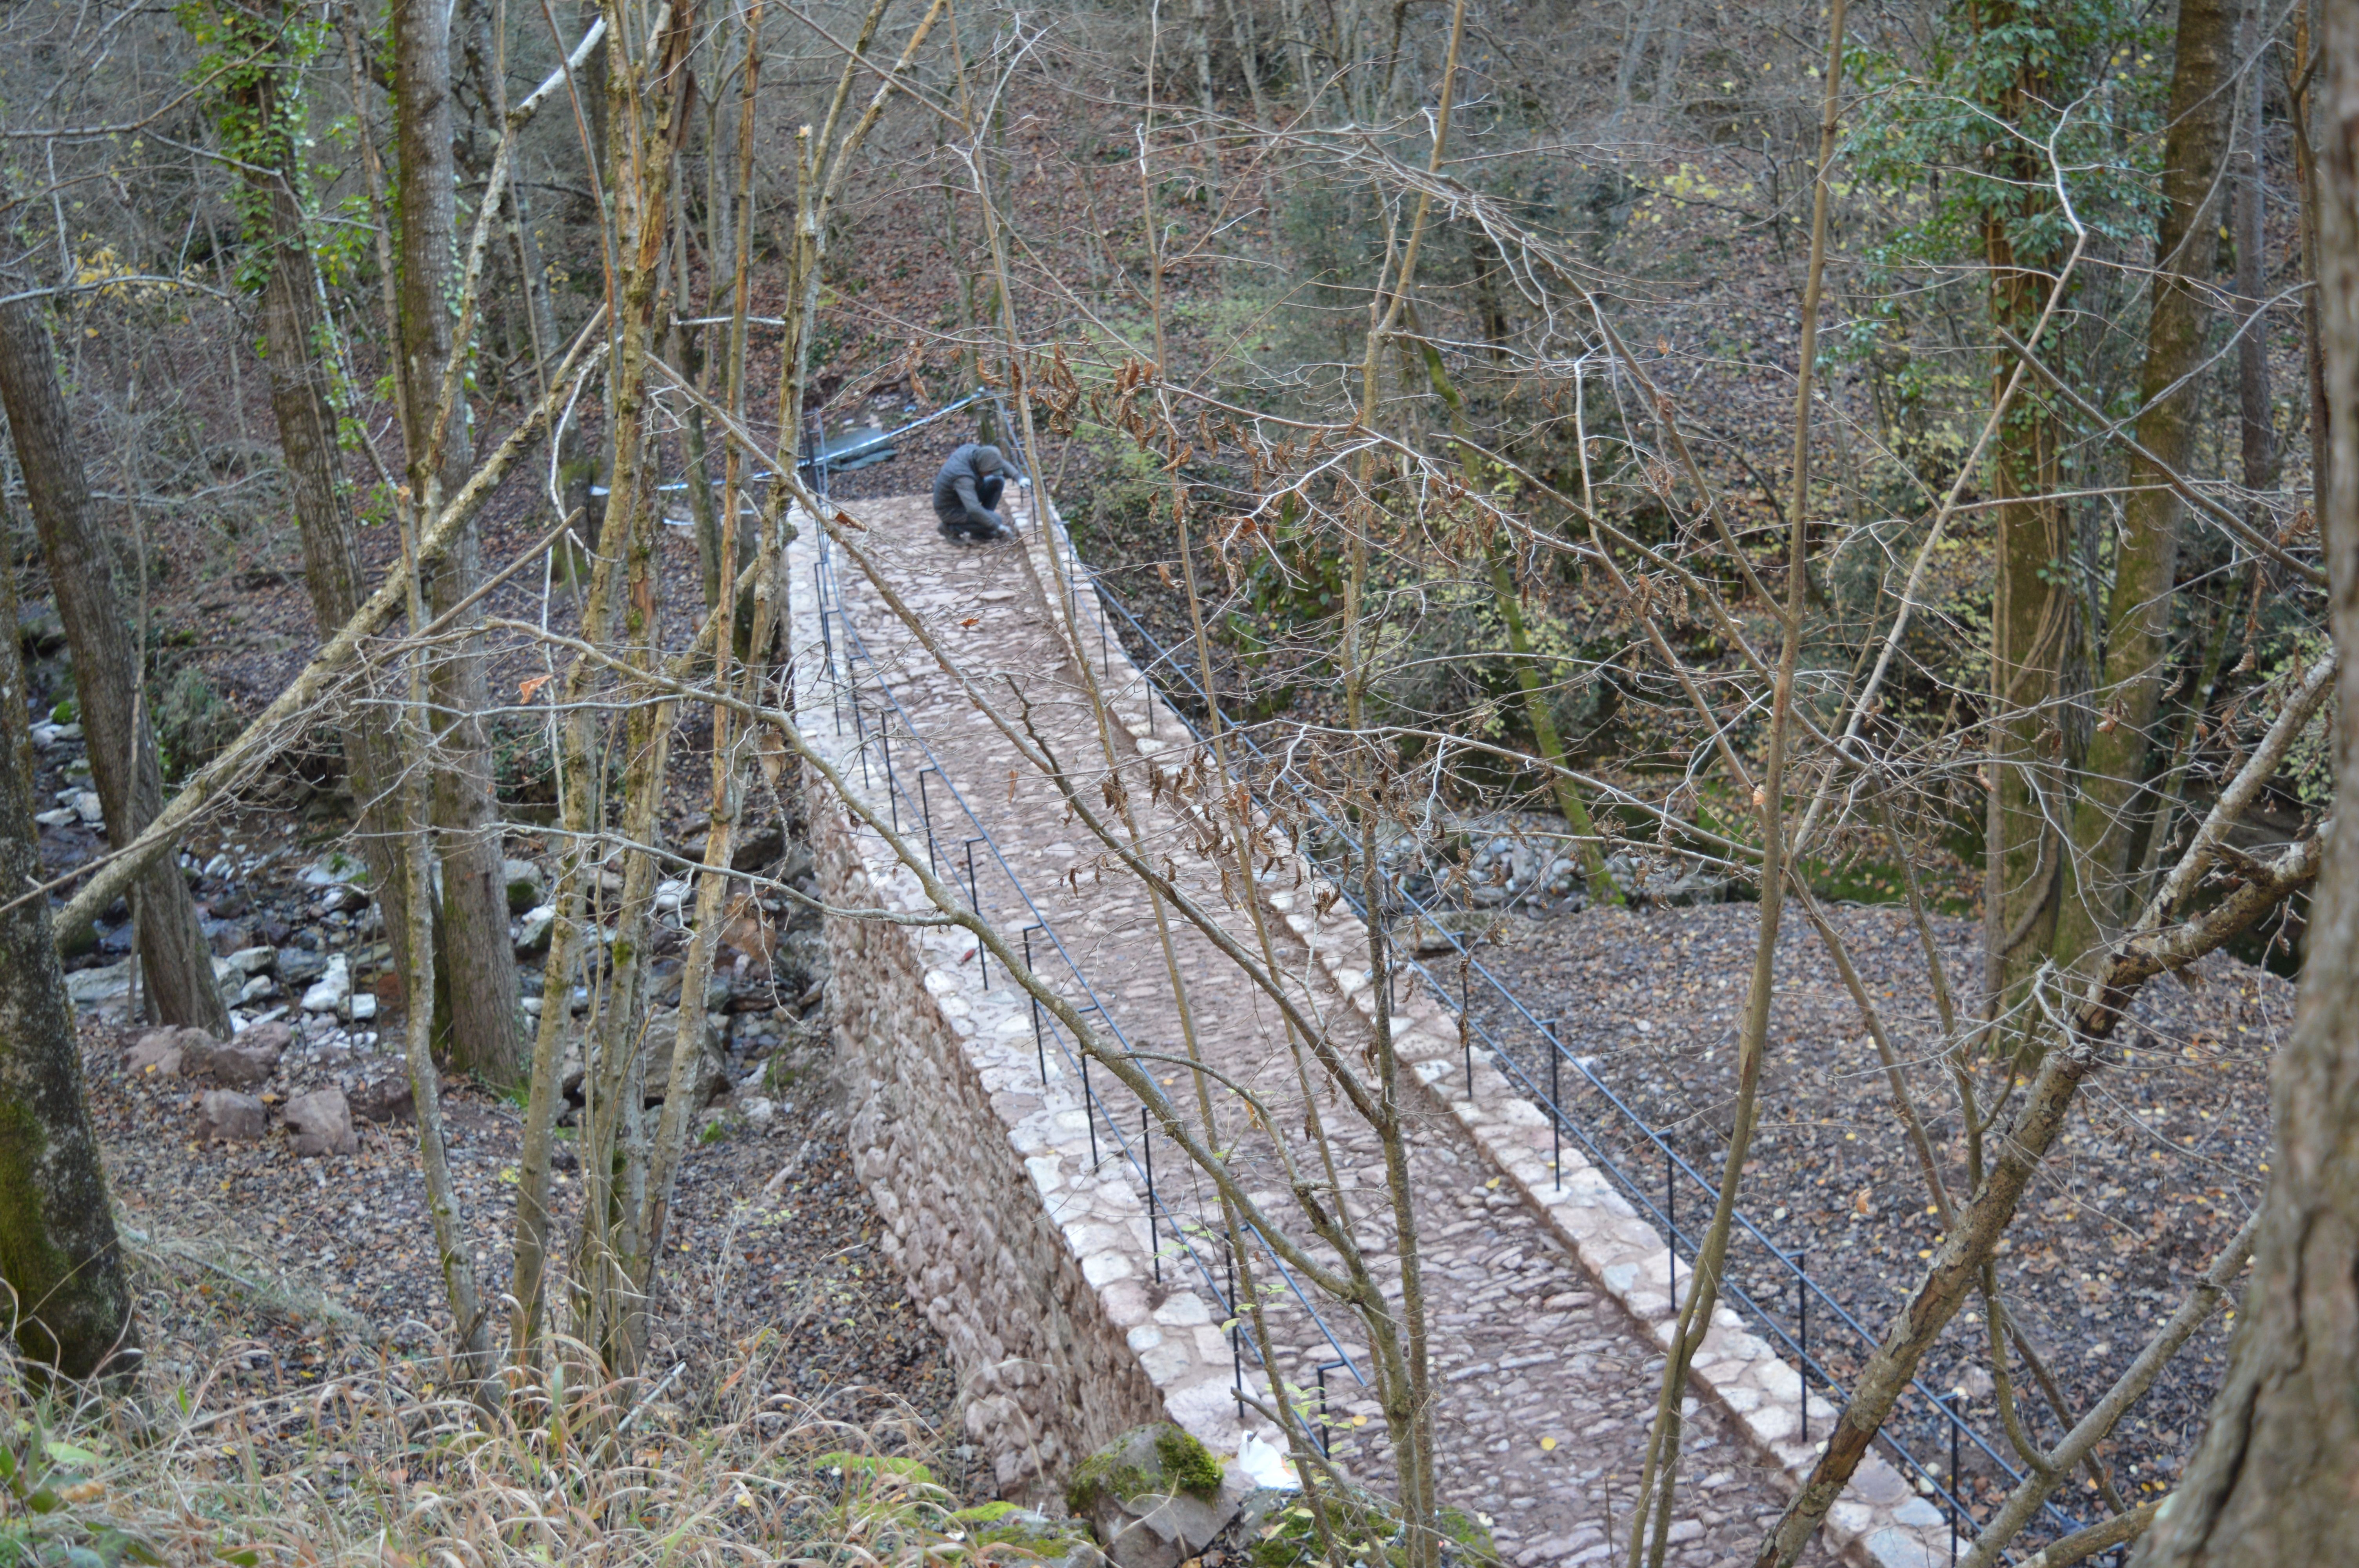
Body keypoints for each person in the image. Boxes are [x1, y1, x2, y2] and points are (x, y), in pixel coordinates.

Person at [932, 442, 1020, 543]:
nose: (990, 474)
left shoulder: (975, 452)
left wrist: (1019, 478)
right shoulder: (963, 478)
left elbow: (998, 462)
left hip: (962, 498)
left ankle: (980, 529)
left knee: (997, 481)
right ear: (982, 466)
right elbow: (973, 509)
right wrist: (997, 526)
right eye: (989, 472)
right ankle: (949, 529)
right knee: (996, 520)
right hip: (951, 510)